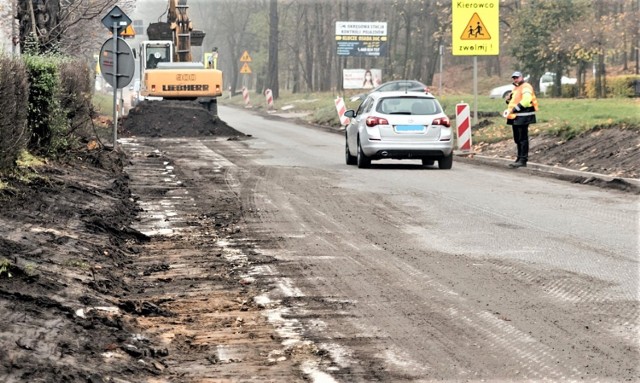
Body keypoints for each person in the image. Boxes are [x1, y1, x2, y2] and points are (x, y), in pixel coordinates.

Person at [505, 71, 538, 168]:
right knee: (518, 138)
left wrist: (515, 109)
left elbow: (526, 101)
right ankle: (519, 158)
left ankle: (523, 160)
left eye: (517, 77)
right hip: (516, 116)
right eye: (514, 78)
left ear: (522, 77)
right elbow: (514, 100)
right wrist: (508, 100)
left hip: (523, 116)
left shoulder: (526, 87)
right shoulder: (516, 88)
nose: (515, 79)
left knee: (522, 138)